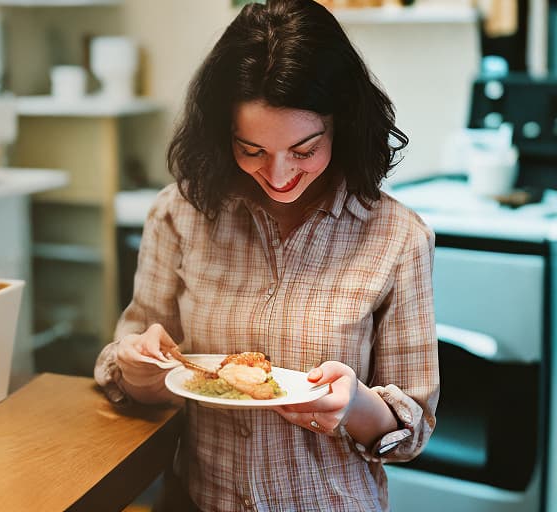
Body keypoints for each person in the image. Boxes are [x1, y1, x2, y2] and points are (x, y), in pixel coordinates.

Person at [94, 0, 439, 510]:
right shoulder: (181, 213)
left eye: (303, 150)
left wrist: (357, 405)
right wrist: (140, 369)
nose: (279, 177)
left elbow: (412, 431)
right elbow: (141, 363)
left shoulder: (397, 236)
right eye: (252, 149)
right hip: (198, 498)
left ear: (342, 125)